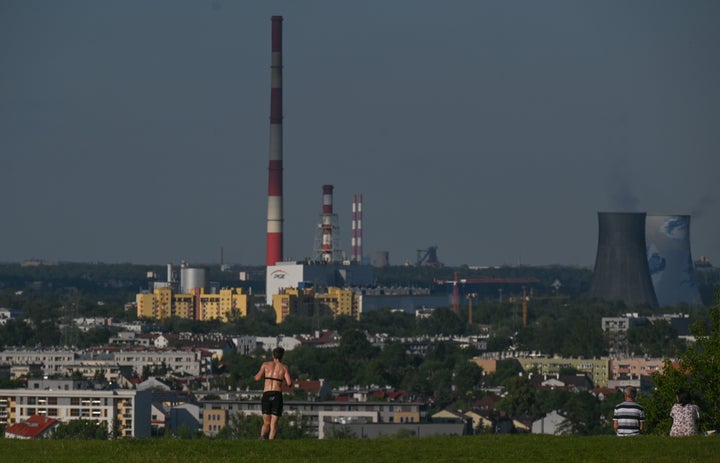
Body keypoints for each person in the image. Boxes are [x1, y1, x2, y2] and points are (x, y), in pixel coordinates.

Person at [254, 347, 292, 440]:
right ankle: (271, 443)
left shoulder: (265, 365)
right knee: (273, 424)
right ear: (282, 356)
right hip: (277, 394)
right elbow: (289, 383)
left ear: (273, 355)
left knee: (266, 422)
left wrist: (255, 377)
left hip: (266, 394)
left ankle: (262, 437)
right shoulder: (284, 367)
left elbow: (257, 378)